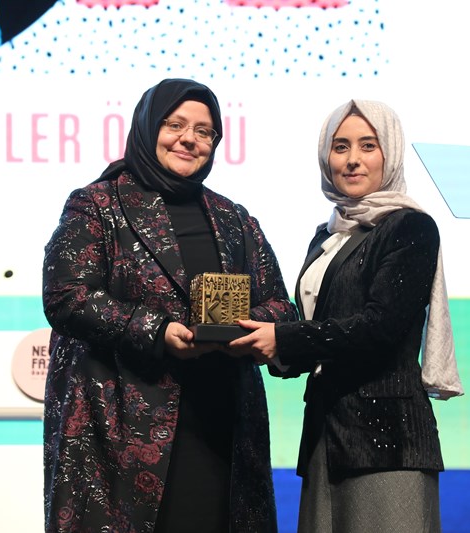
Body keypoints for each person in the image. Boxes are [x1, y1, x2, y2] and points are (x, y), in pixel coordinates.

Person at [41, 78, 297, 533]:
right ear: (147, 127)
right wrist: (157, 331)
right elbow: (66, 295)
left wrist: (243, 328)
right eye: (174, 124)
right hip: (123, 431)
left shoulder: (234, 217)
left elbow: (279, 305)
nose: (189, 139)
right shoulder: (97, 204)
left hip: (221, 425)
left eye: (204, 131)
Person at [229, 99, 464, 532]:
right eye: (340, 147)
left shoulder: (409, 227)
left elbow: (380, 329)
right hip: (326, 437)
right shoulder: (327, 236)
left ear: (390, 153)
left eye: (368, 145)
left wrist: (284, 339)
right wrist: (265, 346)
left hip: (387, 443)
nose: (352, 159)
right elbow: (320, 330)